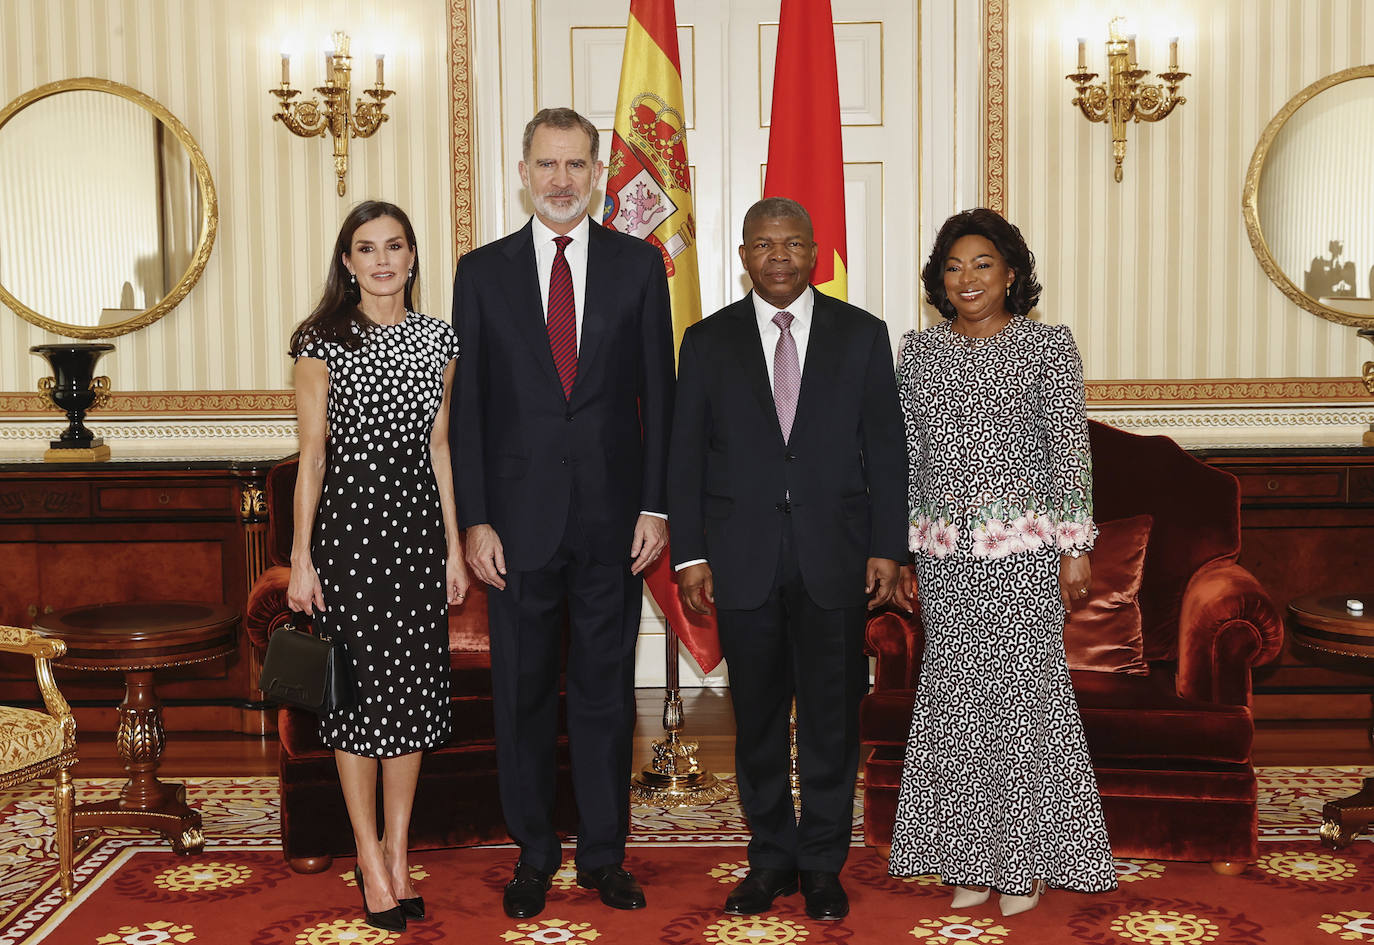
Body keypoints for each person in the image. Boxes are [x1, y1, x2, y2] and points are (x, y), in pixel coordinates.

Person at [450, 107, 674, 919]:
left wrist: (656, 505)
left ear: (596, 172)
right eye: (546, 164)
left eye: (576, 165)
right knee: (523, 693)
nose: (561, 180)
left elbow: (661, 396)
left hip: (616, 523)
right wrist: (475, 518)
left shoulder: (639, 268)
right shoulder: (480, 273)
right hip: (515, 526)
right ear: (522, 170)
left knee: (607, 690)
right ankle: (535, 851)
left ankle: (605, 854)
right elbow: (469, 409)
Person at [668, 197, 907, 921]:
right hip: (741, 560)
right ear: (743, 254)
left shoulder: (861, 334)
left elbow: (888, 451)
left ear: (814, 252)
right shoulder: (706, 342)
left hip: (836, 557)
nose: (779, 255)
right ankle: (772, 856)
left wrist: (887, 548)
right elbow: (685, 457)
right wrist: (691, 554)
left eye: (793, 243)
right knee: (760, 719)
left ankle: (823, 862)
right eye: (764, 244)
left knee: (834, 719)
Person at [887, 208, 1117, 915]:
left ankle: (1022, 863)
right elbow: (909, 459)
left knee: (1022, 704)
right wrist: (903, 551)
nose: (967, 277)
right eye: (954, 266)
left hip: (1024, 557)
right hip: (946, 559)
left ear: (1012, 272)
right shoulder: (918, 354)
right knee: (955, 705)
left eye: (983, 263)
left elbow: (1068, 450)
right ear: (939, 279)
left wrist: (1075, 548)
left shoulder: (1046, 347)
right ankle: (967, 858)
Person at [286, 201, 468, 933]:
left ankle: (399, 846)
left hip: (419, 539)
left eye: (395, 246)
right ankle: (366, 852)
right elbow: (312, 456)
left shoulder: (440, 340)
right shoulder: (320, 338)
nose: (383, 259)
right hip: (349, 539)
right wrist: (301, 559)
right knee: (358, 702)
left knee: (413, 699)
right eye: (367, 248)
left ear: (414, 257)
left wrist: (455, 547)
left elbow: (441, 448)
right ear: (348, 262)